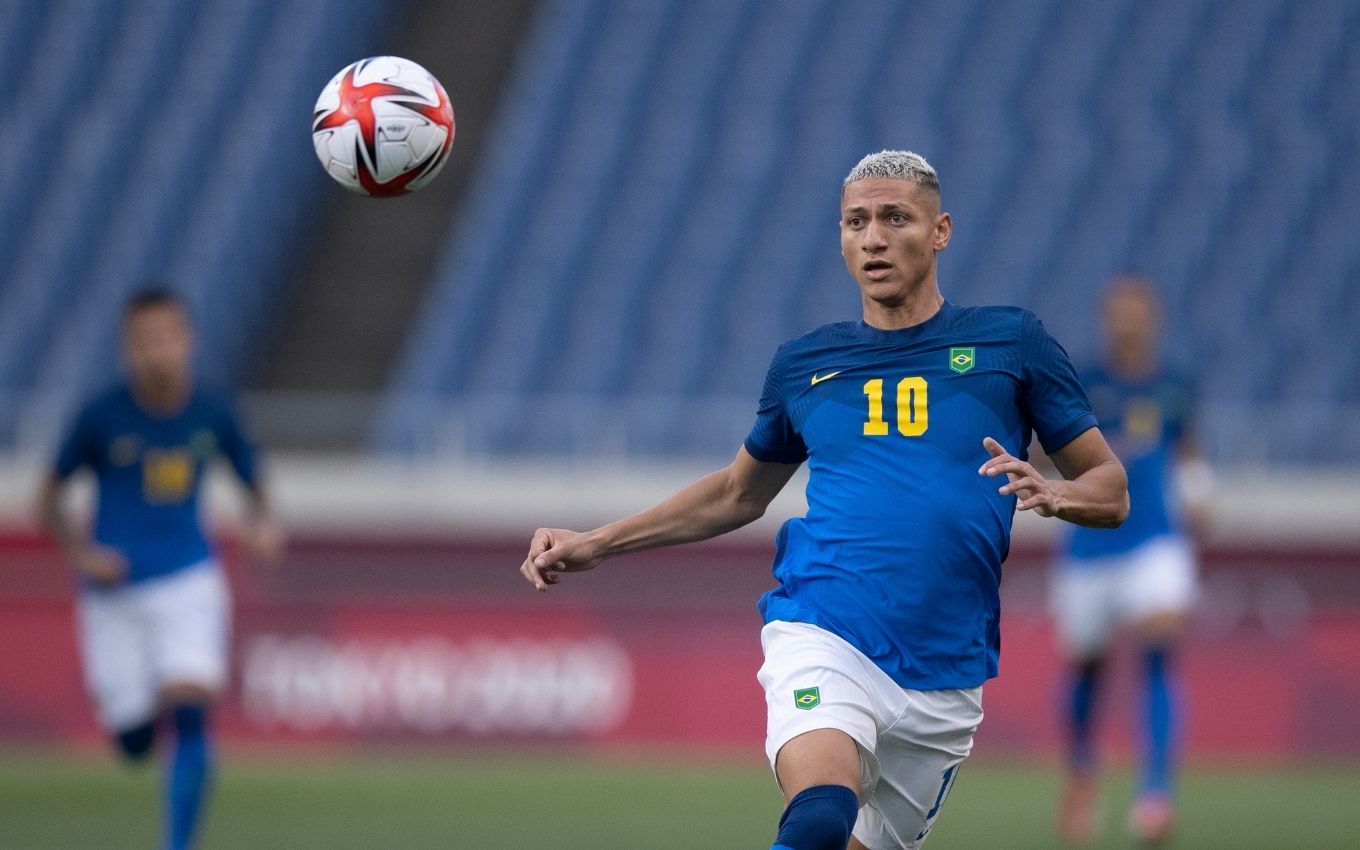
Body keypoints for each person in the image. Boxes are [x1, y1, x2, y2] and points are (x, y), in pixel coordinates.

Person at [520, 150, 1129, 850]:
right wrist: (596, 542)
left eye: (895, 218)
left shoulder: (1010, 342)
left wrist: (1057, 493)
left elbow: (1111, 491)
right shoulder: (805, 364)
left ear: (941, 231)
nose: (873, 237)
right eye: (856, 221)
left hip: (946, 673)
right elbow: (736, 492)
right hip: (825, 630)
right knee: (817, 816)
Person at [37, 288, 283, 850]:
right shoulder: (101, 415)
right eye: (143, 342)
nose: (157, 352)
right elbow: (48, 497)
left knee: (192, 701)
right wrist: (82, 555)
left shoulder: (213, 412)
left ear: (187, 341)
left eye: (166, 338)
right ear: (128, 349)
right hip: (114, 592)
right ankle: (136, 725)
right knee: (133, 742)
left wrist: (262, 523)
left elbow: (254, 480)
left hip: (189, 578)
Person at [1053, 277, 1208, 846]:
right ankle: (1082, 777)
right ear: (1105, 319)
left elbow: (1188, 448)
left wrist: (1198, 491)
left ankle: (1156, 794)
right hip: (1089, 544)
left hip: (1155, 540)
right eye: (1119, 313)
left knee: (1160, 646)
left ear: (1154, 319)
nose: (1128, 323)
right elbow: (1051, 450)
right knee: (1087, 667)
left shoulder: (1173, 385)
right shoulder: (1083, 383)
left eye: (1138, 313)